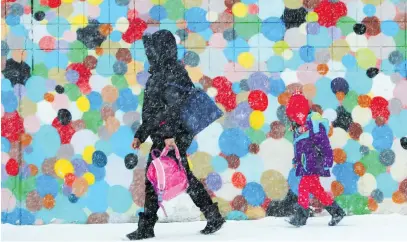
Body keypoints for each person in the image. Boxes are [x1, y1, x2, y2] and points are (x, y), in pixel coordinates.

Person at [126, 30, 225, 240]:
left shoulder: (171, 72)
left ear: (161, 49)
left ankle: (147, 226)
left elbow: (172, 108)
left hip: (170, 135)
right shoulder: (163, 71)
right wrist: (141, 134)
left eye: (152, 48)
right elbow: (153, 110)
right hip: (164, 134)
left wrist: (170, 134)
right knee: (181, 177)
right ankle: (212, 215)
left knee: (154, 178)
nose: (149, 52)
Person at [285, 91, 346, 227]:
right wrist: (296, 160)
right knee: (316, 189)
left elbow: (324, 142)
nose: (293, 119)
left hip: (314, 161)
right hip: (306, 162)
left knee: (303, 186)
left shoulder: (313, 123)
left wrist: (327, 160)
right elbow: (299, 147)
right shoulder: (298, 128)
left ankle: (301, 216)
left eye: (294, 115)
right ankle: (337, 212)